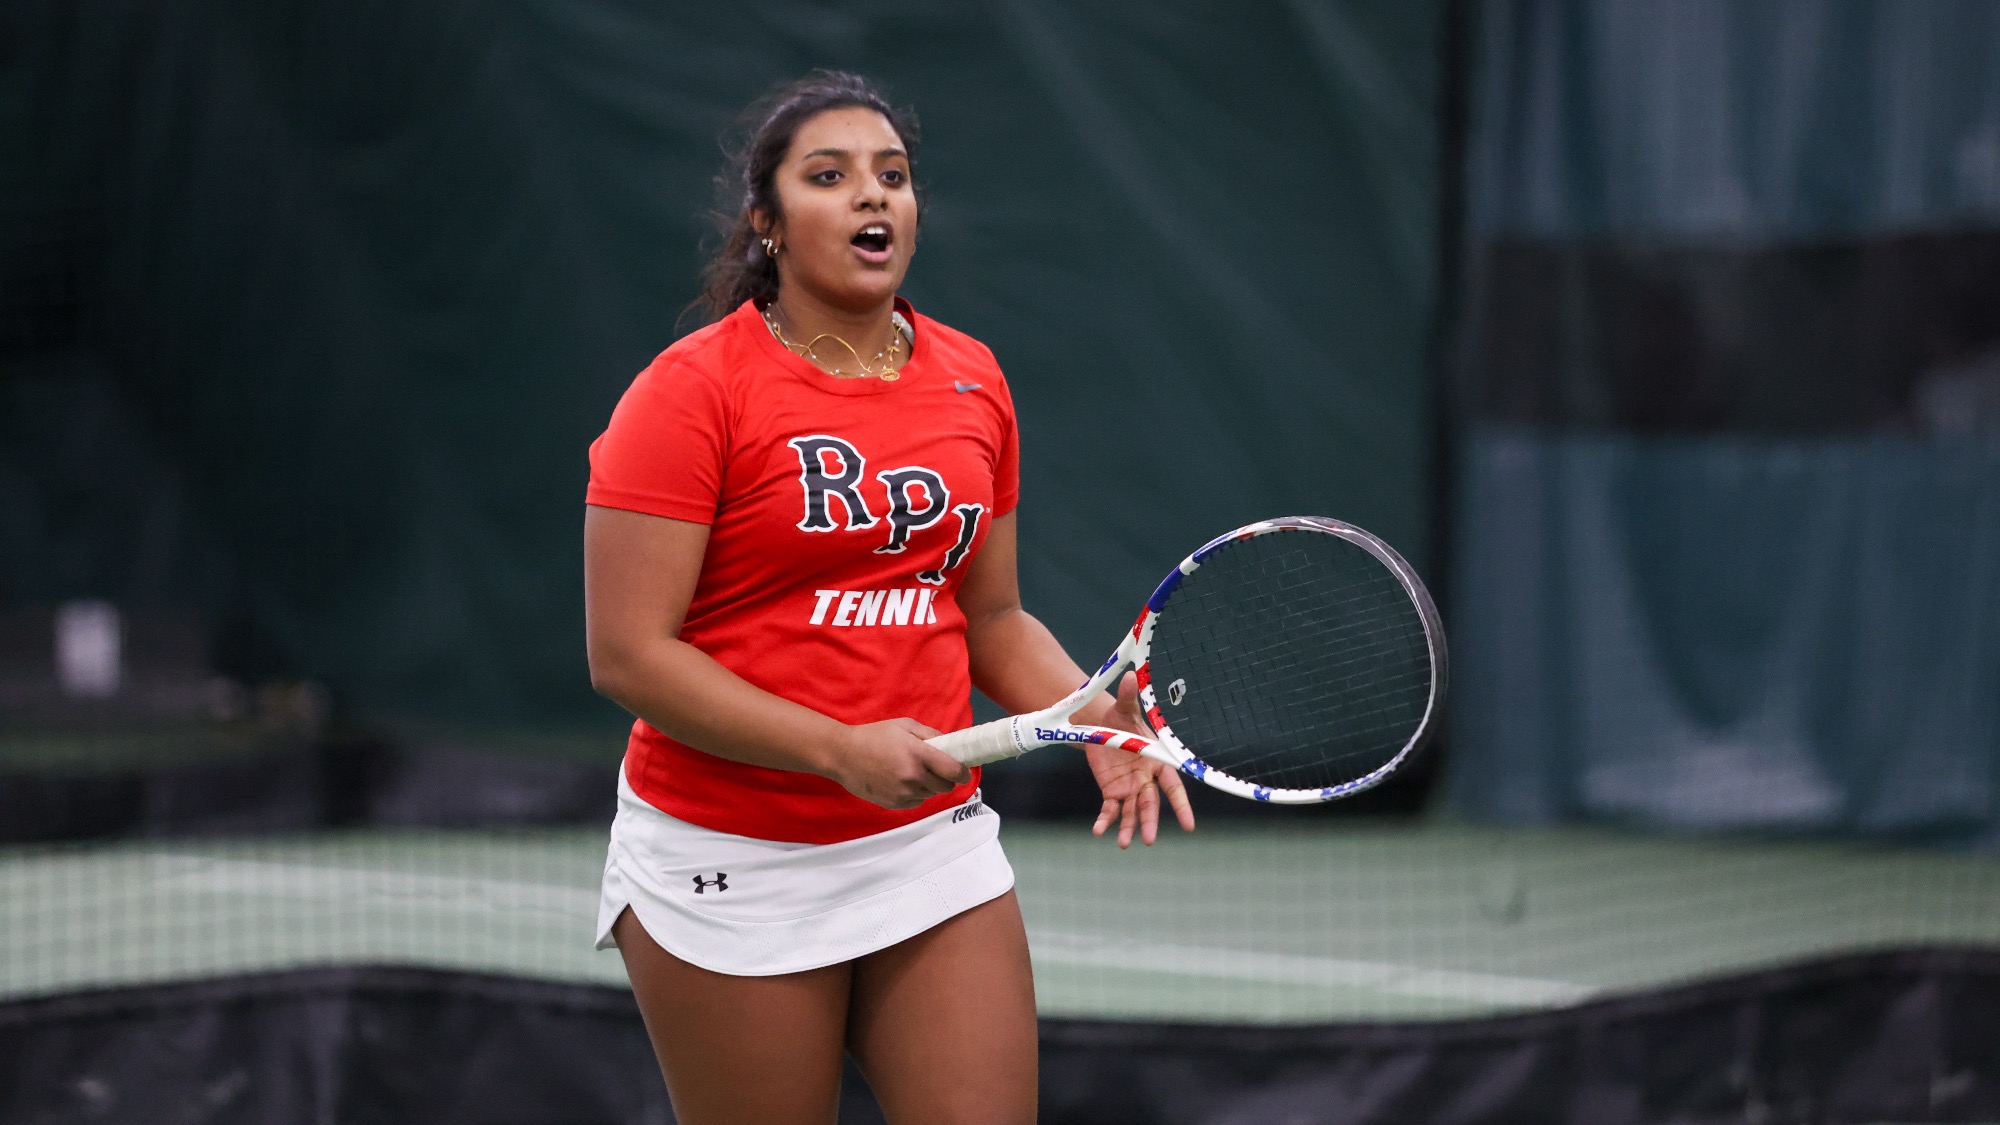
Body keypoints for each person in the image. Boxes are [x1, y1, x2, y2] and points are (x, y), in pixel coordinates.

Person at [582, 71, 1195, 1125]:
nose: (874, 198)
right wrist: (836, 747)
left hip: (925, 846)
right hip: (729, 858)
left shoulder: (972, 380)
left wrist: (1086, 713)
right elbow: (628, 656)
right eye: (831, 177)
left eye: (893, 177)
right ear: (767, 224)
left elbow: (987, 617)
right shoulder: (690, 392)